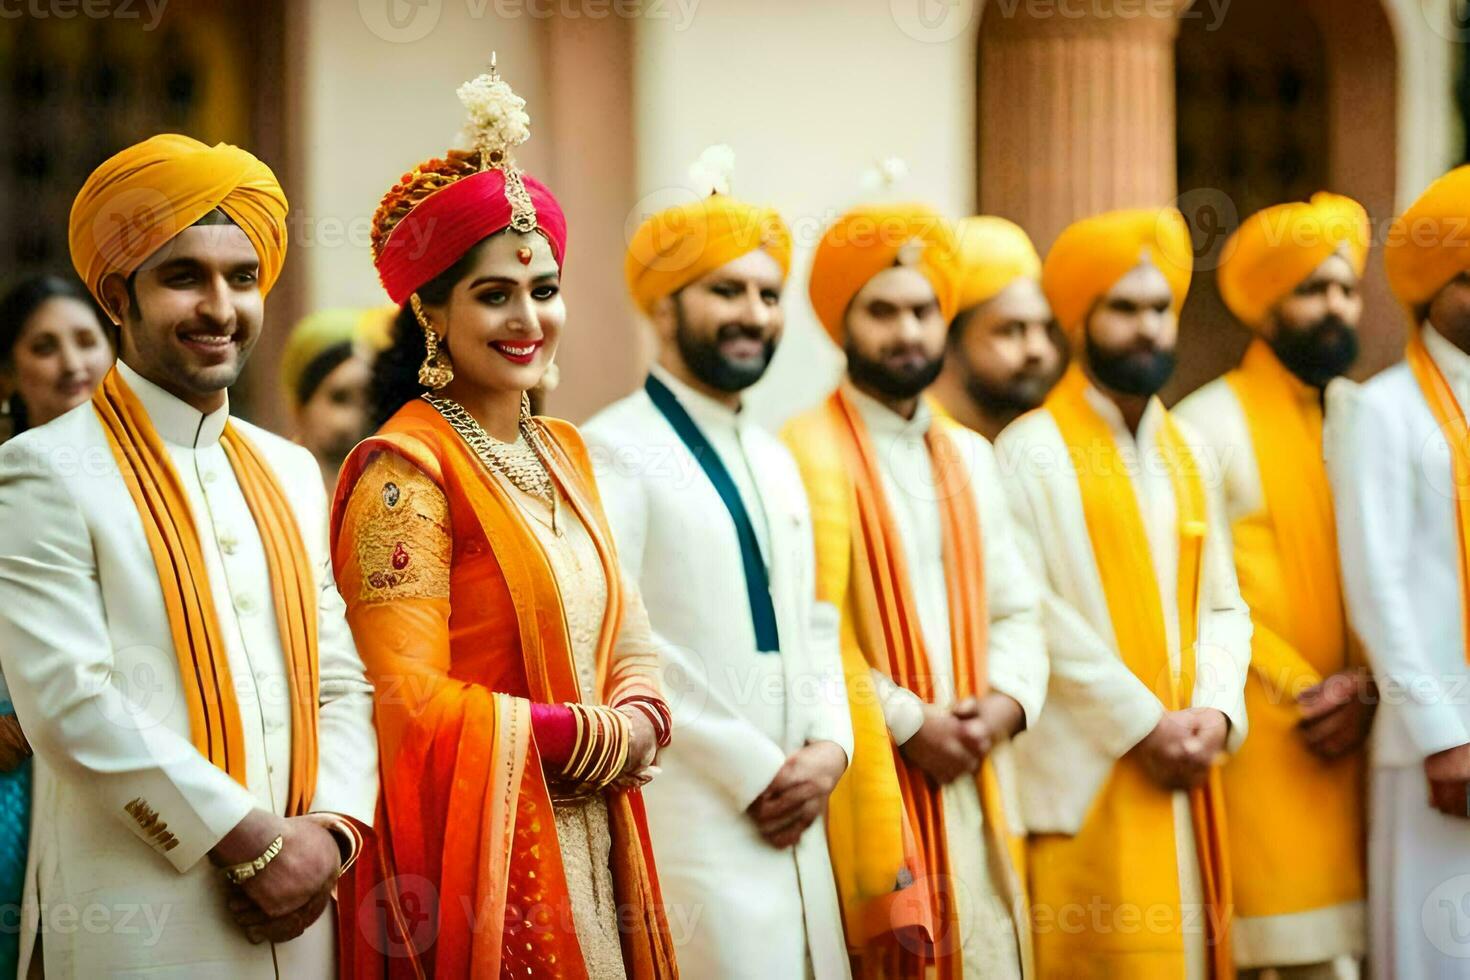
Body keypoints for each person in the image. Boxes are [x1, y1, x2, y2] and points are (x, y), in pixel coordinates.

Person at [0, 134, 378, 977]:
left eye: (242, 277)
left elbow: (342, 679)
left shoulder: (285, 469)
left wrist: (333, 834)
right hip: (138, 924)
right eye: (184, 277)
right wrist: (252, 846)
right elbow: (69, 702)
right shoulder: (45, 469)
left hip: (308, 918)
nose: (221, 306)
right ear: (116, 296)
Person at [329, 63, 677, 978]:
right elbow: (410, 704)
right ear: (430, 311)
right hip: (487, 866)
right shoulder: (404, 477)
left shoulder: (561, 450)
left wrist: (641, 709)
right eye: (495, 295)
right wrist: (598, 737)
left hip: (597, 841)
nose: (530, 318)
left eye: (546, 290)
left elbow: (625, 627)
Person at [584, 186, 853, 979]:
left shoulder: (774, 455)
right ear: (663, 308)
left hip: (801, 809)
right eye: (725, 291)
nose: (753, 314)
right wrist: (755, 770)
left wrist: (832, 747)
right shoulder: (611, 448)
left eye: (768, 295)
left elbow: (813, 621)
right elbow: (617, 636)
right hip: (695, 813)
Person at [783, 202, 1048, 978]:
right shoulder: (799, 454)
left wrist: (1001, 707)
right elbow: (809, 630)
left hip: (973, 766)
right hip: (871, 777)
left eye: (924, 310)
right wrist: (907, 723)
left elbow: (1017, 607)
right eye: (883, 312)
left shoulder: (969, 456)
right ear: (842, 324)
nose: (907, 333)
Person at [995, 207, 1251, 979]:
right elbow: (1034, 614)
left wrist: (1215, 711)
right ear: (1079, 320)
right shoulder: (1029, 450)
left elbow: (1226, 606)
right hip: (1089, 775)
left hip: (1188, 766)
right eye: (1123, 309)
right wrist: (1146, 725)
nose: (1146, 329)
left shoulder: (1191, 451)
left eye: (1159, 309)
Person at [1175, 193, 1374, 979]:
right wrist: (1310, 690)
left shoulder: (1366, 416)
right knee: (1279, 954)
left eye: (1346, 289)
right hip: (1270, 730)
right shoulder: (1204, 423)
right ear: (1265, 307)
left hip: (1369, 723)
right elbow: (1206, 593)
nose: (1334, 307)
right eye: (1310, 290)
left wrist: (1375, 689)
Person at [1332, 164, 1470, 979]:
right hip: (1439, 750)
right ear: (1432, 287)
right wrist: (1442, 736)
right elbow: (1375, 584)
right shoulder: (1380, 408)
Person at [0, 273, 113, 976]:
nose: (71, 362)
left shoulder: (162, 482)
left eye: (85, 340)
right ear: (11, 371)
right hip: (12, 771)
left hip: (121, 773)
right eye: (45, 347)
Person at [929, 216, 1066, 440]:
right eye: (1011, 330)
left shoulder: (1041, 442)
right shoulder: (915, 448)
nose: (1038, 349)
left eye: (1047, 329)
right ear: (946, 338)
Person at [280, 307, 393, 492]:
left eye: (369, 397)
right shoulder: (272, 488)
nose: (356, 416)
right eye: (339, 398)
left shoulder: (389, 492)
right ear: (300, 408)